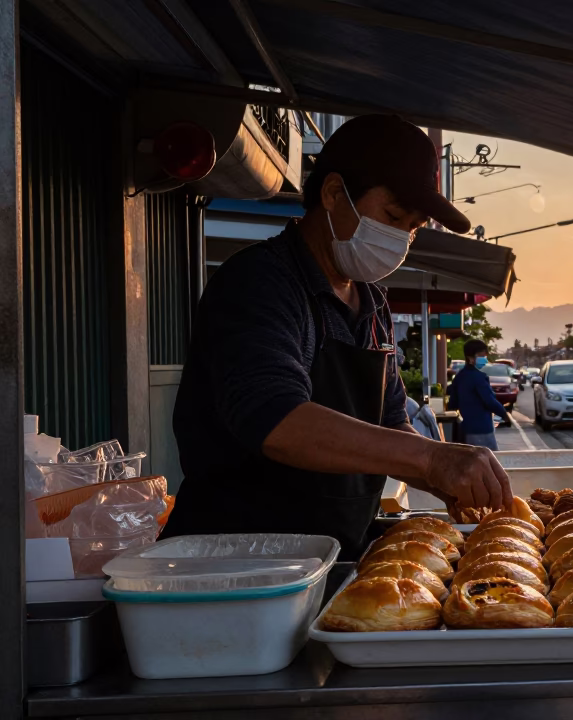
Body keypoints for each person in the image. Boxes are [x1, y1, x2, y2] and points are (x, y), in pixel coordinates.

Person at [162, 115, 512, 560]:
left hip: (335, 555)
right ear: (332, 193)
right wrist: (427, 458)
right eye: (392, 216)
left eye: (413, 226)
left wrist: (442, 474)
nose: (401, 237)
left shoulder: (373, 304)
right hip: (236, 565)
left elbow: (390, 418)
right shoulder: (261, 282)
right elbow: (273, 417)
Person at [447, 340, 512, 451]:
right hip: (482, 429)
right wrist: (505, 415)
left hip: (466, 429)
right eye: (481, 356)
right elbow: (490, 401)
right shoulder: (479, 378)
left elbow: (453, 403)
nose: (485, 359)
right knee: (490, 462)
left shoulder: (460, 376)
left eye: (485, 356)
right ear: (470, 358)